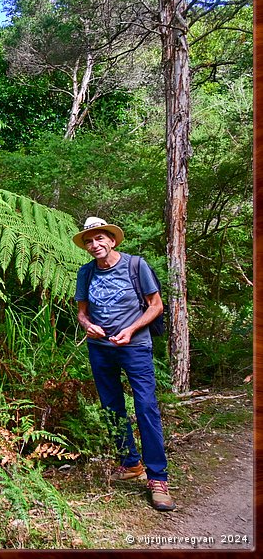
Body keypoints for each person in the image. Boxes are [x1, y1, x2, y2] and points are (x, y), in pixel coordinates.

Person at [73, 217, 175, 511]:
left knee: (145, 407)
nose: (95, 245)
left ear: (113, 240)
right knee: (111, 407)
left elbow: (156, 305)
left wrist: (131, 330)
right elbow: (82, 312)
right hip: (100, 348)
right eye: (89, 241)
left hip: (136, 347)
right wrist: (87, 324)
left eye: (100, 238)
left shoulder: (135, 266)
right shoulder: (86, 273)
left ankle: (158, 478)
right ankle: (131, 463)